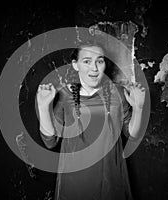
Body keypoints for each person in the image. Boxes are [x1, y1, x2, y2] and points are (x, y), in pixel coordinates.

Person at [37, 41, 145, 200]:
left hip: (111, 177)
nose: (94, 68)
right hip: (74, 182)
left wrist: (139, 108)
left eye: (99, 61)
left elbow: (132, 134)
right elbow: (50, 141)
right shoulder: (64, 95)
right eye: (87, 61)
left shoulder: (119, 92)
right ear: (75, 65)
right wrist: (43, 107)